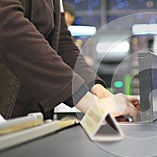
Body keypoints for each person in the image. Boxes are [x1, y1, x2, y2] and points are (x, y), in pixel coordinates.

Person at [0, 0, 139, 121]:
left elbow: (62, 43)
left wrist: (98, 91)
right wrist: (90, 103)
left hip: (30, 113)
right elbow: (7, 25)